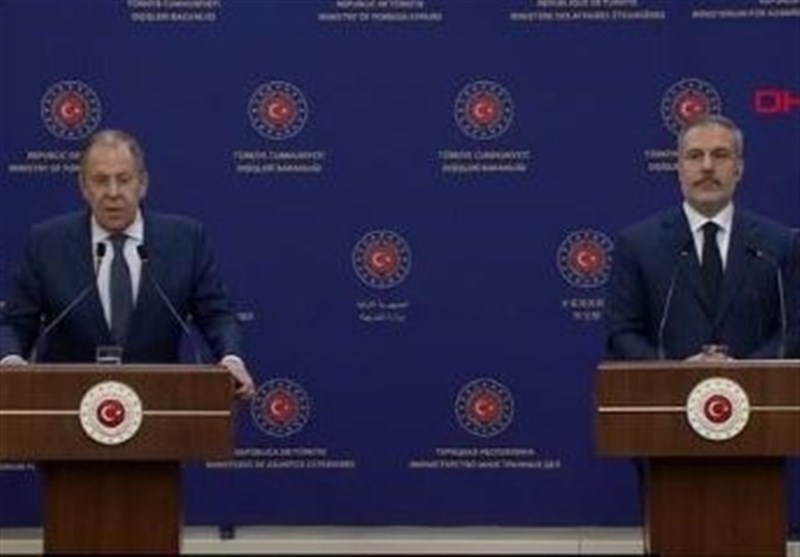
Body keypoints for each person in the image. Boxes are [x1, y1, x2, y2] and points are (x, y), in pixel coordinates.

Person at [0, 129, 255, 398]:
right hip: (67, 405)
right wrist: (10, 362)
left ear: (142, 184)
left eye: (123, 180)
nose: (113, 193)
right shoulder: (47, 243)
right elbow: (16, 323)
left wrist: (231, 359)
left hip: (159, 403)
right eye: (100, 180)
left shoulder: (185, 240)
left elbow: (217, 315)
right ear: (83, 187)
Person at [605, 114, 799, 361]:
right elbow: (622, 334)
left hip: (756, 386)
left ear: (739, 168)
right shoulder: (638, 245)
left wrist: (745, 372)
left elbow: (794, 331)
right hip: (667, 385)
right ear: (679, 169)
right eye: (695, 156)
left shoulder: (778, 246)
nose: (707, 166)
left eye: (720, 155)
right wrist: (676, 372)